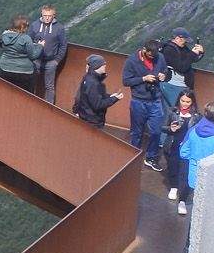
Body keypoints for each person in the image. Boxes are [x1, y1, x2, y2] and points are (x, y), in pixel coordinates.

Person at [122, 39, 172, 171]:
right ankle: (133, 156)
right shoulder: (131, 61)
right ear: (144, 50)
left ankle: (151, 157)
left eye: (154, 56)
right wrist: (143, 79)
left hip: (155, 99)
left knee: (156, 131)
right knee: (137, 132)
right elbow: (126, 81)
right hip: (139, 100)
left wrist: (164, 76)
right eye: (150, 55)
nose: (152, 58)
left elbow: (167, 73)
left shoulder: (160, 57)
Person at [178, 103, 214, 216]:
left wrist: (194, 159)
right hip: (210, 180)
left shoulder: (193, 130)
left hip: (192, 175)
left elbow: (183, 152)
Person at [163, 91, 198, 205]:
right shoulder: (172, 112)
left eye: (188, 102)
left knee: (185, 168)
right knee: (173, 165)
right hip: (174, 143)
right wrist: (170, 129)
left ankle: (182, 189)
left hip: (187, 146)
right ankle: (174, 186)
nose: (185, 104)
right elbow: (162, 126)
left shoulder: (196, 116)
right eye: (182, 101)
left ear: (192, 102)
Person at [30, 5, 68, 105]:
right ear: (41, 15)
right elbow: (29, 41)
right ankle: (30, 102)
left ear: (53, 16)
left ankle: (49, 106)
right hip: (36, 60)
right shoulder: (34, 25)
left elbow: (63, 45)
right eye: (45, 15)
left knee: (49, 86)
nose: (47, 18)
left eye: (49, 15)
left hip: (51, 61)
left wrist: (57, 60)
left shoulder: (59, 28)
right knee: (32, 82)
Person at [74, 54, 123, 126]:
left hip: (87, 117)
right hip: (92, 121)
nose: (105, 65)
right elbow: (98, 105)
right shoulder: (93, 83)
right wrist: (115, 98)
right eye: (103, 64)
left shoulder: (88, 78)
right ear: (97, 66)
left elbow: (94, 96)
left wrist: (110, 96)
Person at [160, 28, 205, 105]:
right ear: (177, 38)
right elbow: (181, 67)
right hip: (174, 85)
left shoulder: (182, 47)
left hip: (183, 85)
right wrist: (193, 53)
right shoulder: (169, 50)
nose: (185, 43)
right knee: (175, 107)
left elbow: (192, 59)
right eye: (184, 40)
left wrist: (200, 52)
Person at [0, 16, 42, 91]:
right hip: (24, 71)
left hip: (4, 69)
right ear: (23, 26)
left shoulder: (4, 35)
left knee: (6, 91)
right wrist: (40, 46)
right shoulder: (26, 38)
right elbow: (33, 56)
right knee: (27, 94)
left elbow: (1, 46)